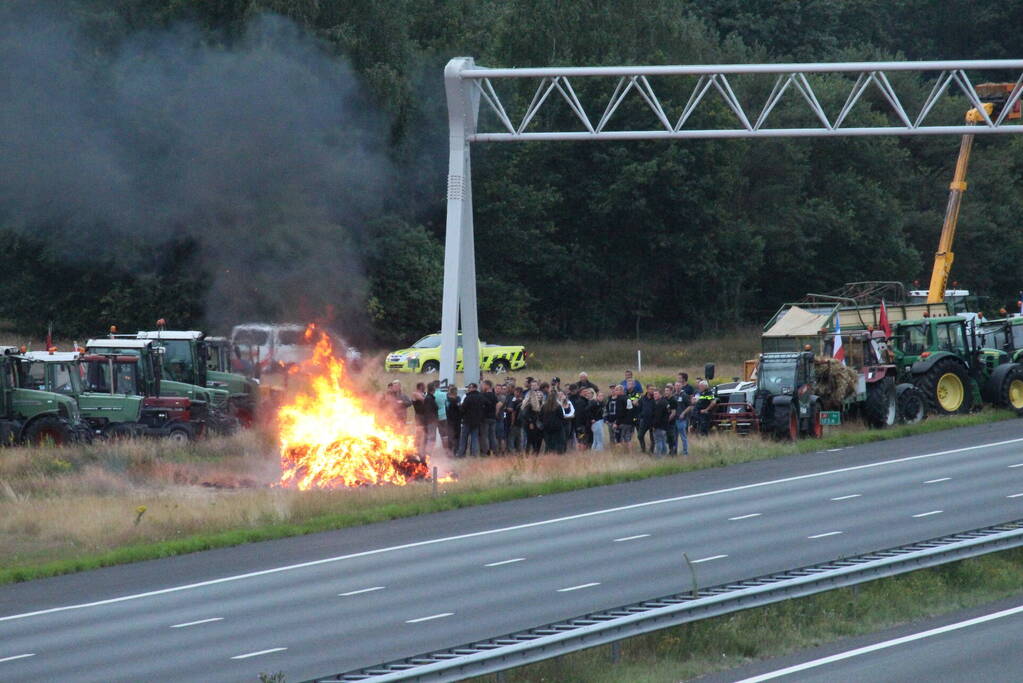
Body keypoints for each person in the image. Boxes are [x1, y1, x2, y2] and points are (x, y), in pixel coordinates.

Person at [457, 383, 485, 457]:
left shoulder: (468, 397)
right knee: (474, 438)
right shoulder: (481, 397)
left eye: (469, 388)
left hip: (467, 421)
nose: (468, 389)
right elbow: (485, 406)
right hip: (476, 421)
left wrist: (460, 406)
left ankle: (461, 454)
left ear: (474, 388)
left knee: (464, 438)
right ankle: (474, 454)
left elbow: (463, 409)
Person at [520, 381, 546, 453]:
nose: (533, 387)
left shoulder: (542, 398)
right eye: (532, 385)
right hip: (530, 422)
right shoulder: (528, 398)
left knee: (539, 438)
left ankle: (536, 452)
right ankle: (528, 453)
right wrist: (530, 421)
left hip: (539, 422)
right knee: (530, 438)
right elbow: (525, 412)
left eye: (535, 385)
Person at [636, 384, 657, 453]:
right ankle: (643, 449)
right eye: (651, 389)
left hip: (653, 421)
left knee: (653, 438)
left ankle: (651, 451)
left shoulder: (655, 398)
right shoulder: (642, 398)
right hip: (644, 420)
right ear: (647, 389)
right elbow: (638, 409)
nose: (652, 391)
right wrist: (639, 417)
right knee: (640, 436)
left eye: (653, 389)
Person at [480, 379, 499, 456]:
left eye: (483, 385)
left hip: (485, 418)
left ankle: (486, 452)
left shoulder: (483, 395)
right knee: (493, 435)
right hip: (493, 418)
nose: (482, 386)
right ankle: (494, 451)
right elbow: (498, 404)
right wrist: (496, 413)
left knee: (485, 436)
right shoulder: (494, 395)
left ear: (487, 386)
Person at [651, 389, 670, 456]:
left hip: (659, 426)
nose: (654, 395)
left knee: (658, 441)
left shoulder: (660, 404)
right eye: (654, 394)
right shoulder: (666, 402)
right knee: (663, 441)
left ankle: (658, 457)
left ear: (660, 394)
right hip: (665, 426)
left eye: (656, 394)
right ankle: (664, 456)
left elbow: (657, 417)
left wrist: (654, 426)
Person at [433, 381, 449, 450]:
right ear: (439, 385)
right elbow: (447, 404)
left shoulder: (432, 394)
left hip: (435, 416)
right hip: (444, 415)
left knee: (433, 433)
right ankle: (445, 448)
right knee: (444, 434)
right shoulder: (444, 394)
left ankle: (431, 449)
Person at [446, 386, 461, 453]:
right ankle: (455, 451)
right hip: (456, 420)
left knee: (450, 436)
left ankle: (449, 450)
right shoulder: (456, 400)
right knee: (456, 436)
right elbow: (460, 409)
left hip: (449, 420)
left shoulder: (447, 400)